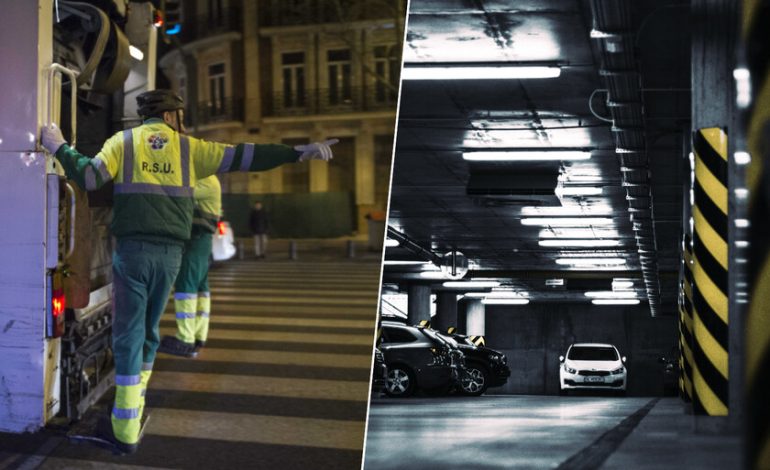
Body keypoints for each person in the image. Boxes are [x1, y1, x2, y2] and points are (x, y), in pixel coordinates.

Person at [40, 89, 337, 454]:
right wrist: (297, 153)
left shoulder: (123, 142)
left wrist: (58, 147)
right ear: (170, 116)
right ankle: (134, 408)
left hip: (133, 254)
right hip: (170, 257)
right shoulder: (191, 149)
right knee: (149, 333)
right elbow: (247, 155)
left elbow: (88, 177)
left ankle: (124, 428)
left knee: (129, 335)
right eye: (180, 116)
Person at [158, 174, 222, 358]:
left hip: (196, 239)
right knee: (201, 288)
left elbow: (180, 193)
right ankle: (198, 335)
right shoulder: (208, 178)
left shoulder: (207, 180)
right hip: (201, 240)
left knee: (186, 285)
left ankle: (185, 339)